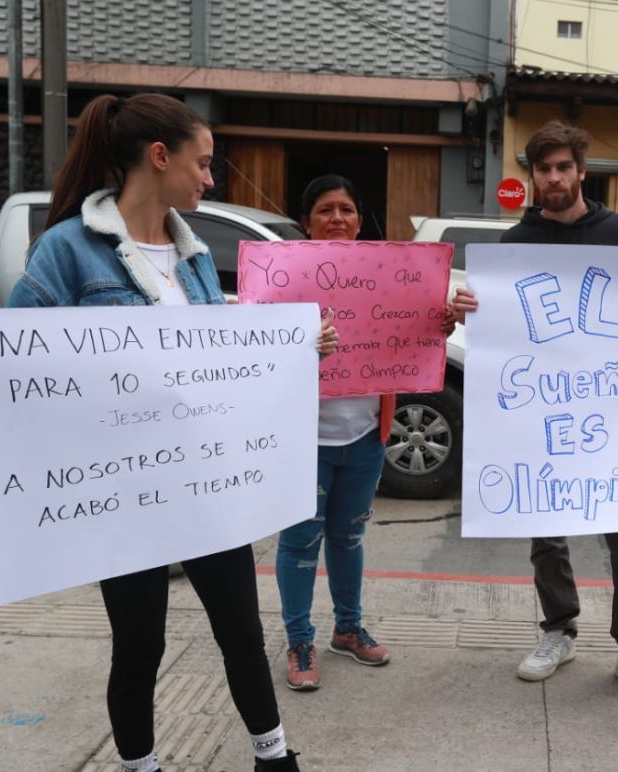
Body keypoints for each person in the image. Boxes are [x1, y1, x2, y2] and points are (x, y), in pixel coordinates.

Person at [6, 94, 306, 771]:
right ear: (159, 157)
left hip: (205, 486)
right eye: (202, 163)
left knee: (242, 633)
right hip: (126, 497)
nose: (210, 178)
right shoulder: (67, 251)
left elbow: (213, 365)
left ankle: (274, 756)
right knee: (139, 647)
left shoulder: (194, 255)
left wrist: (292, 350)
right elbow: (14, 364)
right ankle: (140, 766)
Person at [451, 120, 618, 706]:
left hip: (614, 413)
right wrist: (471, 308)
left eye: (564, 167)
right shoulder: (515, 245)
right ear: (534, 177)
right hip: (543, 414)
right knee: (547, 528)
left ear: (582, 172)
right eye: (544, 169)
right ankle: (558, 629)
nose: (554, 178)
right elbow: (498, 323)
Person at [274, 175, 456, 692]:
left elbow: (414, 328)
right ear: (306, 222)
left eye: (348, 209)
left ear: (360, 219)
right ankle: (299, 640)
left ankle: (348, 630)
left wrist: (437, 325)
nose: (338, 218)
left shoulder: (388, 275)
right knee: (300, 541)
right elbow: (258, 346)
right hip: (303, 439)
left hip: (365, 436)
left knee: (349, 536)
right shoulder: (283, 279)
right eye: (326, 209)